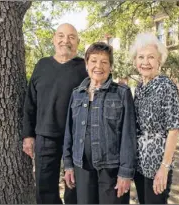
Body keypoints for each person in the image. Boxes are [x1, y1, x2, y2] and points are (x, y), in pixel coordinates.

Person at [63, 42, 137, 204]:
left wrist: (125, 173)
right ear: (87, 64)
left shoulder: (121, 93)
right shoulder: (77, 94)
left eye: (104, 62)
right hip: (82, 168)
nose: (98, 66)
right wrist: (68, 165)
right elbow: (69, 133)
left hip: (111, 169)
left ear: (110, 67)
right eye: (94, 61)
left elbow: (128, 135)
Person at [22, 23, 88, 204]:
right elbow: (30, 102)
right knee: (44, 189)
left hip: (77, 139)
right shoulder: (42, 65)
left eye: (71, 37)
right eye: (61, 36)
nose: (65, 40)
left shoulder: (86, 68)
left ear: (78, 42)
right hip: (45, 136)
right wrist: (28, 135)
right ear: (54, 39)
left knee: (74, 189)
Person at [129, 32, 179, 204]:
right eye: (141, 57)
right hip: (140, 163)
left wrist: (164, 168)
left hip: (157, 164)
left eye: (151, 57)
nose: (145, 62)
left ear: (159, 60)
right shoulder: (139, 88)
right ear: (135, 61)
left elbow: (173, 130)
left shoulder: (166, 86)